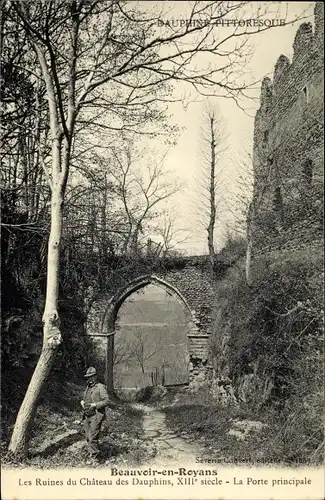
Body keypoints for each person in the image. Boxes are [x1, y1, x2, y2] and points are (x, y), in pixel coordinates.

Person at [81, 367, 110, 460]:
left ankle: (95, 458)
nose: (89, 379)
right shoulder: (88, 387)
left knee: (93, 437)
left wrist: (95, 405)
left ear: (95, 377)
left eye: (91, 377)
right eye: (88, 377)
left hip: (96, 415)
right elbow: (87, 398)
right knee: (87, 436)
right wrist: (82, 402)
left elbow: (106, 401)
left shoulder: (100, 387)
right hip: (86, 415)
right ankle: (91, 454)